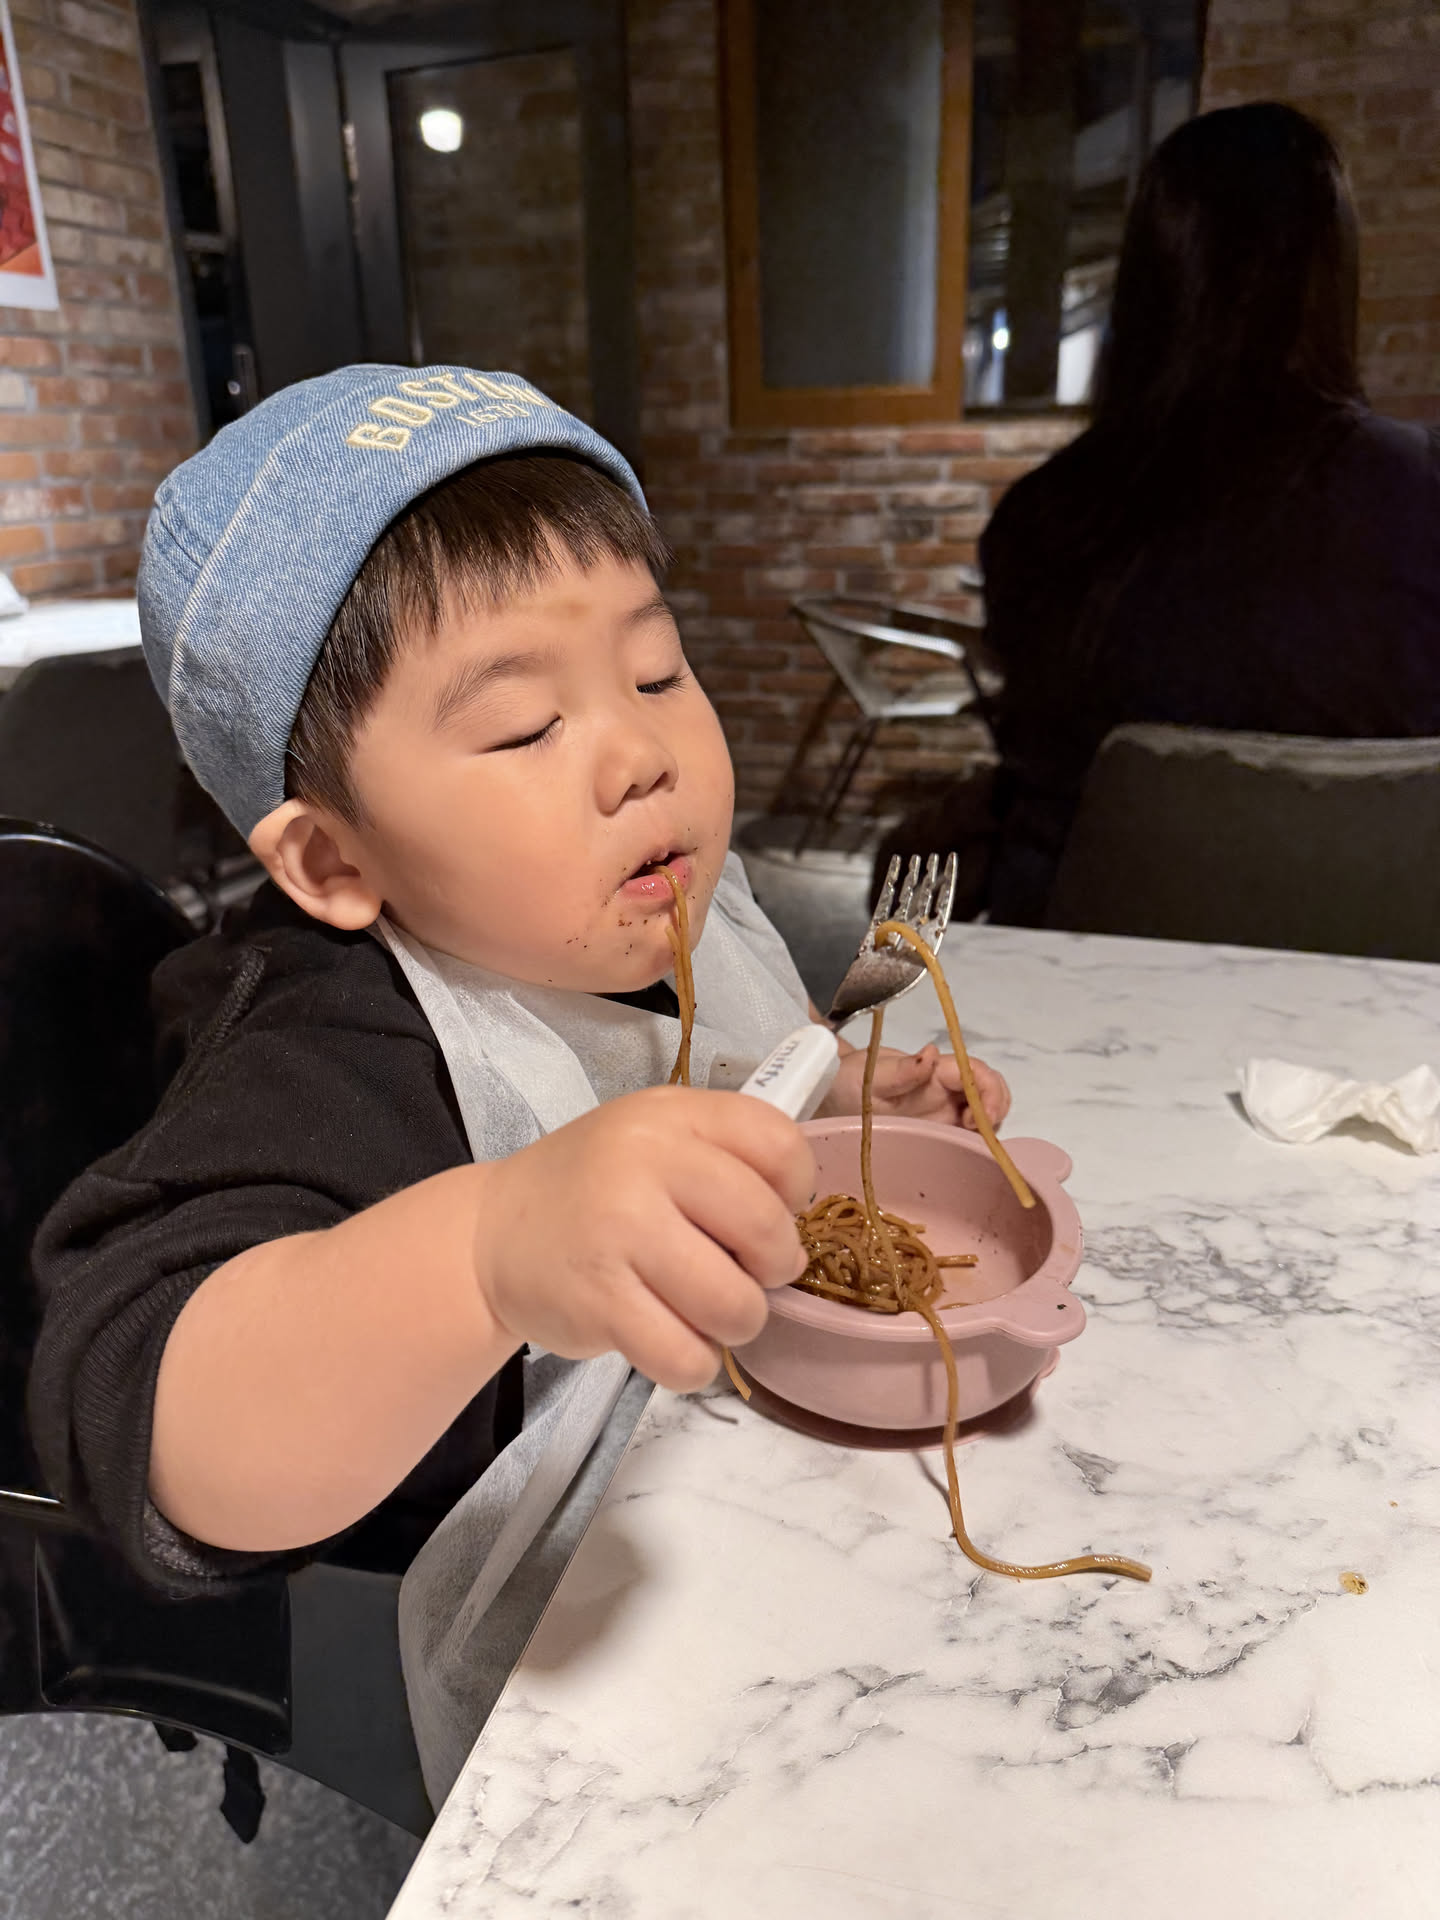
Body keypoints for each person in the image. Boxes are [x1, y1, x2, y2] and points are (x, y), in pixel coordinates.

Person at [27, 364, 1011, 1802]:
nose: (642, 755)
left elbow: (734, 1044)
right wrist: (486, 1251)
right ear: (334, 859)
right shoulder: (328, 1048)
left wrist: (842, 1091)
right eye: (523, 729)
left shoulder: (653, 895)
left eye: (657, 672)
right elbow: (144, 1423)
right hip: (540, 1659)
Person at [980, 102, 1440, 926]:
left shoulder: (1038, 522)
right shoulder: (1418, 493)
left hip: (1081, 962)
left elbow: (1035, 786)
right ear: (1329, 278)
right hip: (1375, 970)